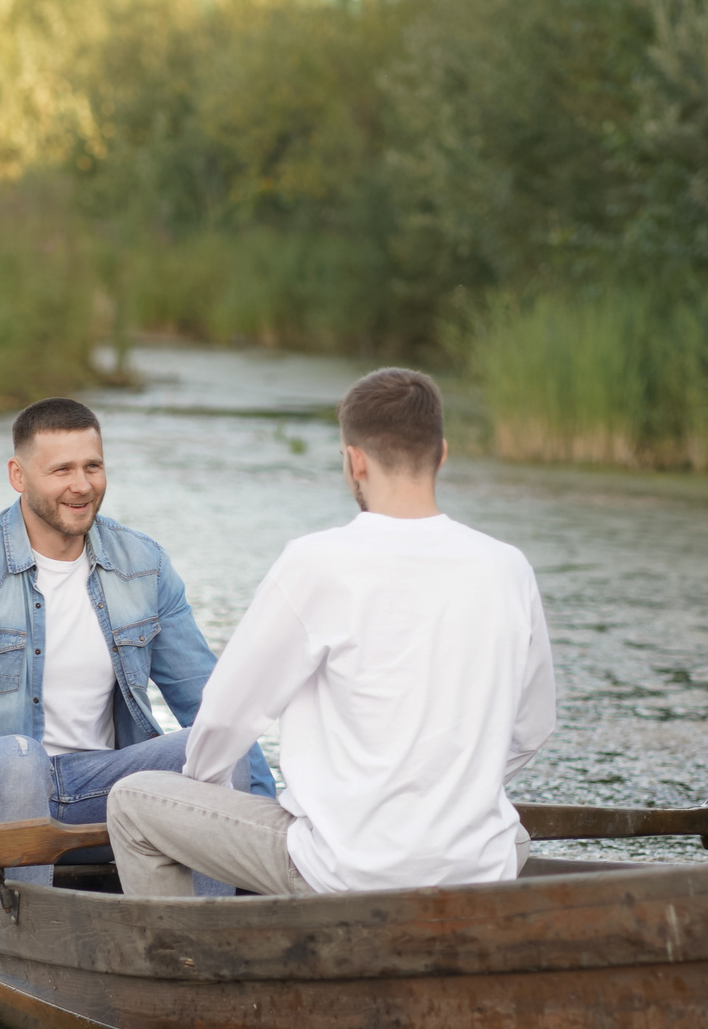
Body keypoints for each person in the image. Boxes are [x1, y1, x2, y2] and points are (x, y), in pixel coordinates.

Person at [106, 368, 556, 897]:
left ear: (354, 460)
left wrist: (204, 795)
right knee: (511, 835)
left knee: (133, 802)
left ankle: (179, 970)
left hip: (344, 869)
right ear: (442, 454)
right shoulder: (508, 568)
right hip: (475, 867)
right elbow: (532, 727)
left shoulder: (318, 562)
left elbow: (229, 714)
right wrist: (447, 800)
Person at [0, 397, 271, 886]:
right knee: (20, 759)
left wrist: (267, 820)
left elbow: (208, 698)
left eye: (93, 466)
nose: (81, 485)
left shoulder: (143, 565)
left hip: (95, 786)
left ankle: (214, 937)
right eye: (61, 469)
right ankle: (20, 941)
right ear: (18, 475)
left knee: (217, 744)